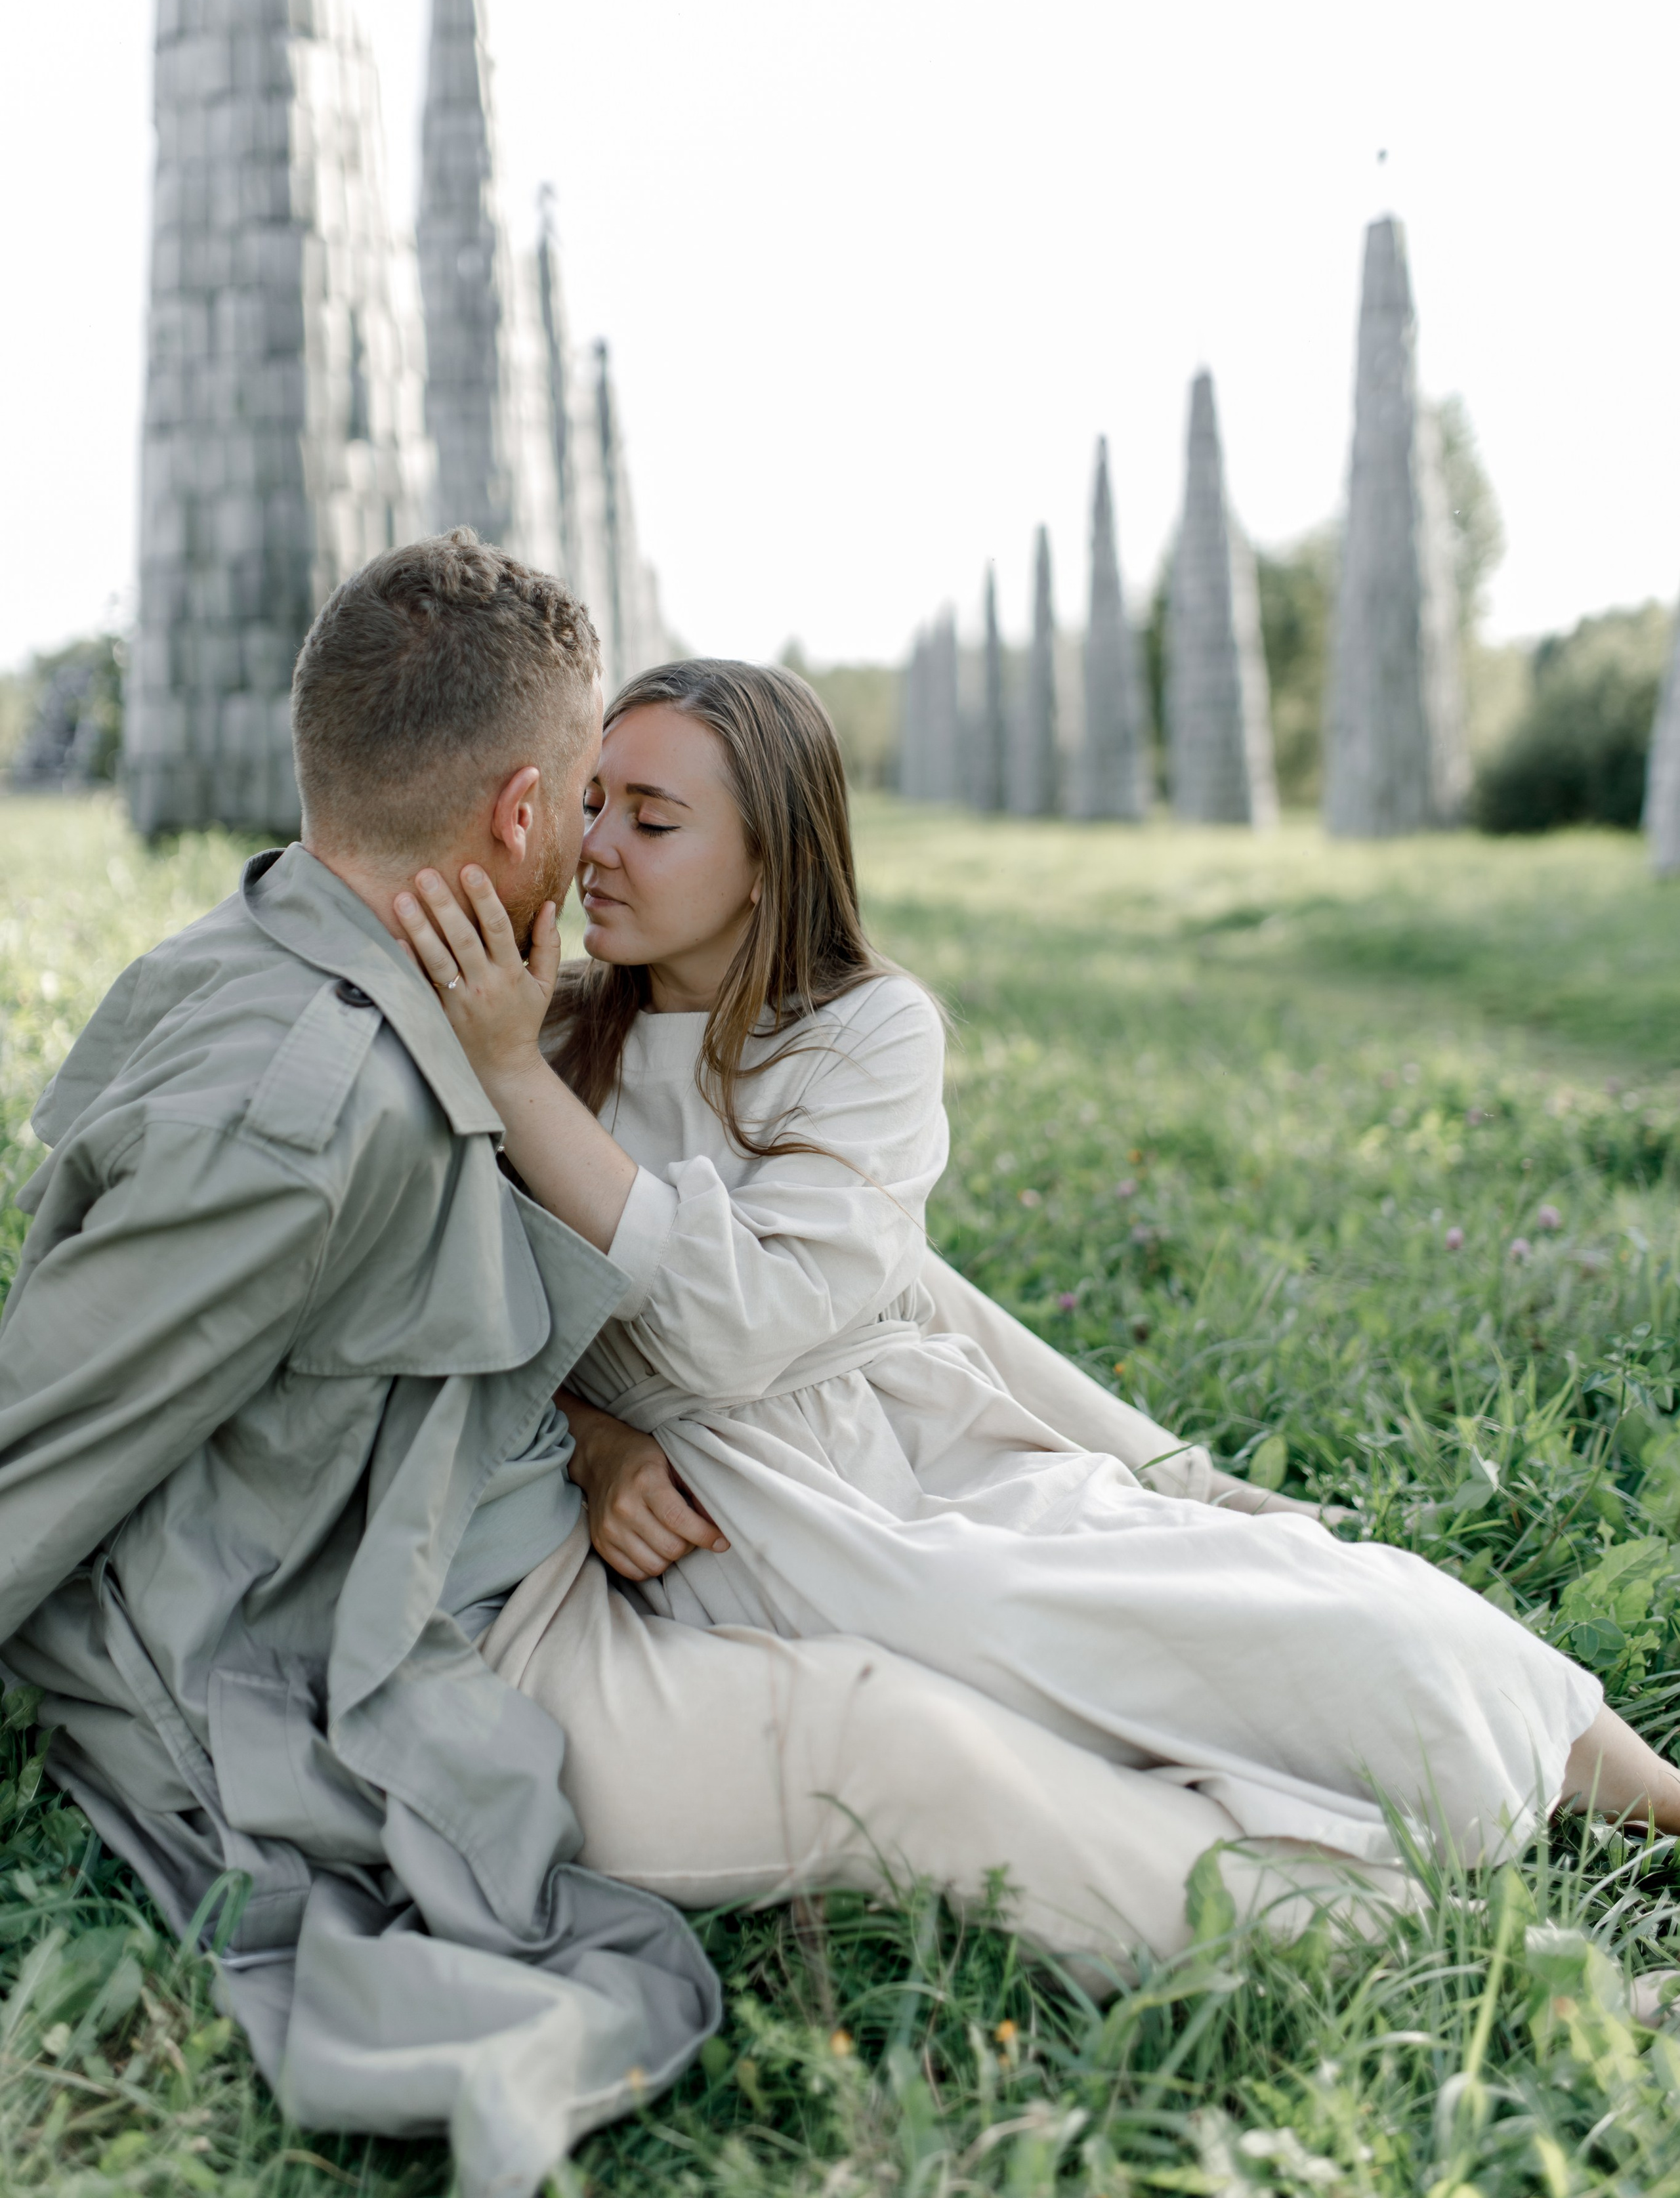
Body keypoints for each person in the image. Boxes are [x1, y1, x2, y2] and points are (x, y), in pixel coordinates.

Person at [0, 538, 1390, 2198]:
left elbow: (437, 1307)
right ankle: (1374, 1934)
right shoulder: (307, 1105)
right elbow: (38, 1447)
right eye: (590, 798)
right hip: (439, 1643)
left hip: (531, 1523)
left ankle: (1351, 1737)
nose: (598, 849)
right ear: (526, 807)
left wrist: (593, 1435)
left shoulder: (338, 964)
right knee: (898, 1745)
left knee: (1001, 1615)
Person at [399, 654, 1680, 1869]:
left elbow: (739, 1325)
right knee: (993, 1659)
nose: (597, 849)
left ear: (766, 862)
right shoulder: (548, 1032)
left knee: (1241, 1601)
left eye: (652, 820)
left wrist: (513, 1079)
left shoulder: (861, 1035)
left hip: (889, 1454)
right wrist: (594, 1440)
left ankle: (1642, 1790)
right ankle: (1295, 1863)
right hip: (726, 1517)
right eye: (591, 804)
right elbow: (463, 1306)